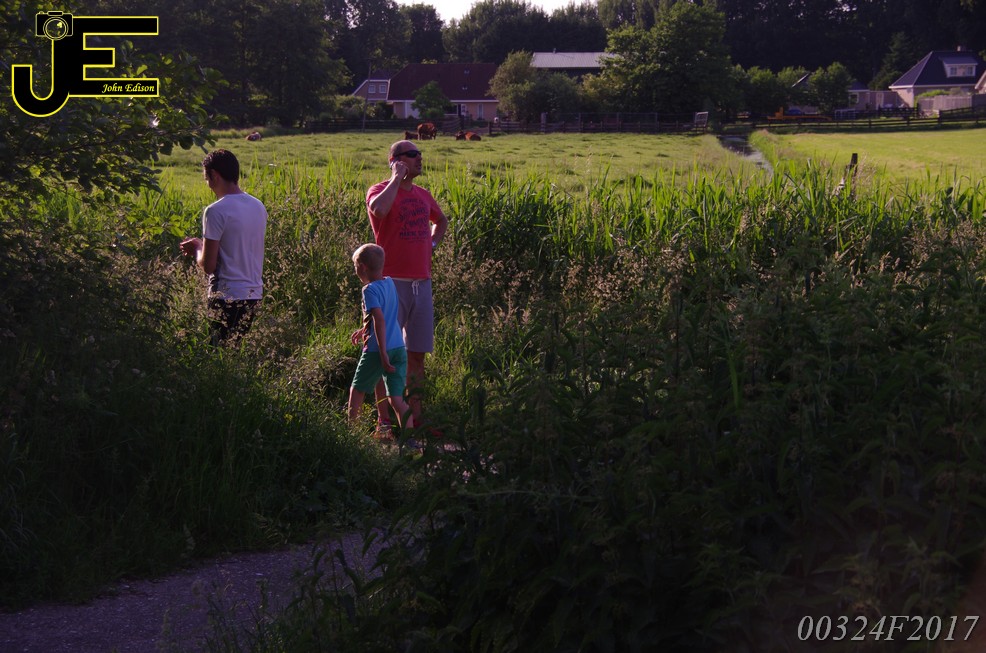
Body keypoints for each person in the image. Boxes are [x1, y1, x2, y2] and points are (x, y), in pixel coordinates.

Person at [366, 140, 448, 430]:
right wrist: (395, 178)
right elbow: (379, 211)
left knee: (416, 355)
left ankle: (415, 419)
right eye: (412, 155)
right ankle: (385, 422)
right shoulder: (379, 190)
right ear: (395, 160)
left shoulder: (423, 195)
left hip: (421, 283)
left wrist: (432, 243)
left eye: (419, 154)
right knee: (383, 353)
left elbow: (442, 220)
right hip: (391, 283)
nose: (419, 158)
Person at [180, 149, 267, 346]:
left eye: (206, 178)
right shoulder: (258, 206)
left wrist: (197, 247)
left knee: (218, 352)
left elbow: (208, 266)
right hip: (253, 294)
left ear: (214, 175)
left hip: (226, 295)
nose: (208, 184)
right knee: (234, 351)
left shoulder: (215, 211)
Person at [348, 243, 414, 431]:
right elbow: (385, 315)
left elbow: (379, 319)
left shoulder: (368, 290)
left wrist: (383, 353)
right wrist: (364, 329)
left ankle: (350, 434)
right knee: (397, 399)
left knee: (357, 389)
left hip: (377, 350)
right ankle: (410, 439)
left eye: (355, 267)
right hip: (398, 348)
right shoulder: (390, 283)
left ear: (362, 267)